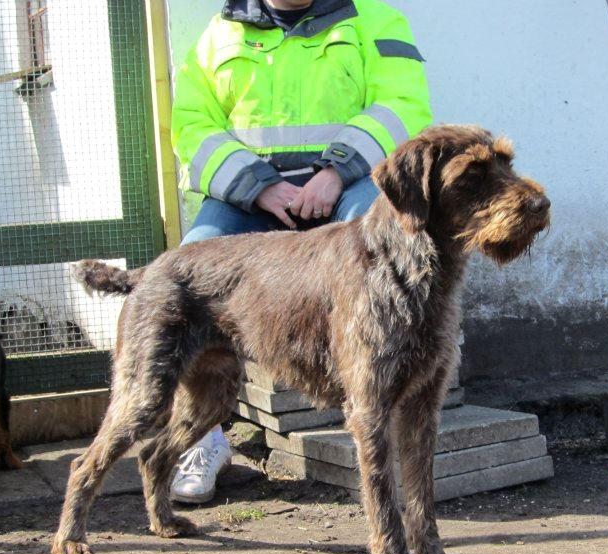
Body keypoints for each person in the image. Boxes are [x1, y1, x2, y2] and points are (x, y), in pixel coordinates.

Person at [168, 0, 432, 503]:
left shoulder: (375, 19)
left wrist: (334, 173)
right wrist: (258, 186)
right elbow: (192, 125)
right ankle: (204, 439)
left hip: (347, 185)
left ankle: (379, 398)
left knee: (378, 255)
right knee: (194, 267)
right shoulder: (219, 32)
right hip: (250, 196)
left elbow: (403, 106)